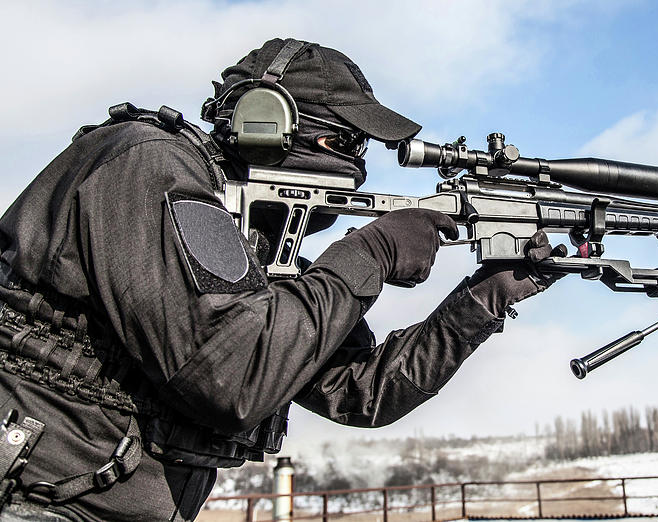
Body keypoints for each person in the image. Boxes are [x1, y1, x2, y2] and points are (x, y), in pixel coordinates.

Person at [0, 39, 564, 521]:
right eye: (344, 143)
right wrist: (373, 250)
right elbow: (233, 378)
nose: (358, 165)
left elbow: (362, 392)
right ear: (267, 121)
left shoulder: (253, 242)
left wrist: (487, 294)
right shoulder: (146, 165)